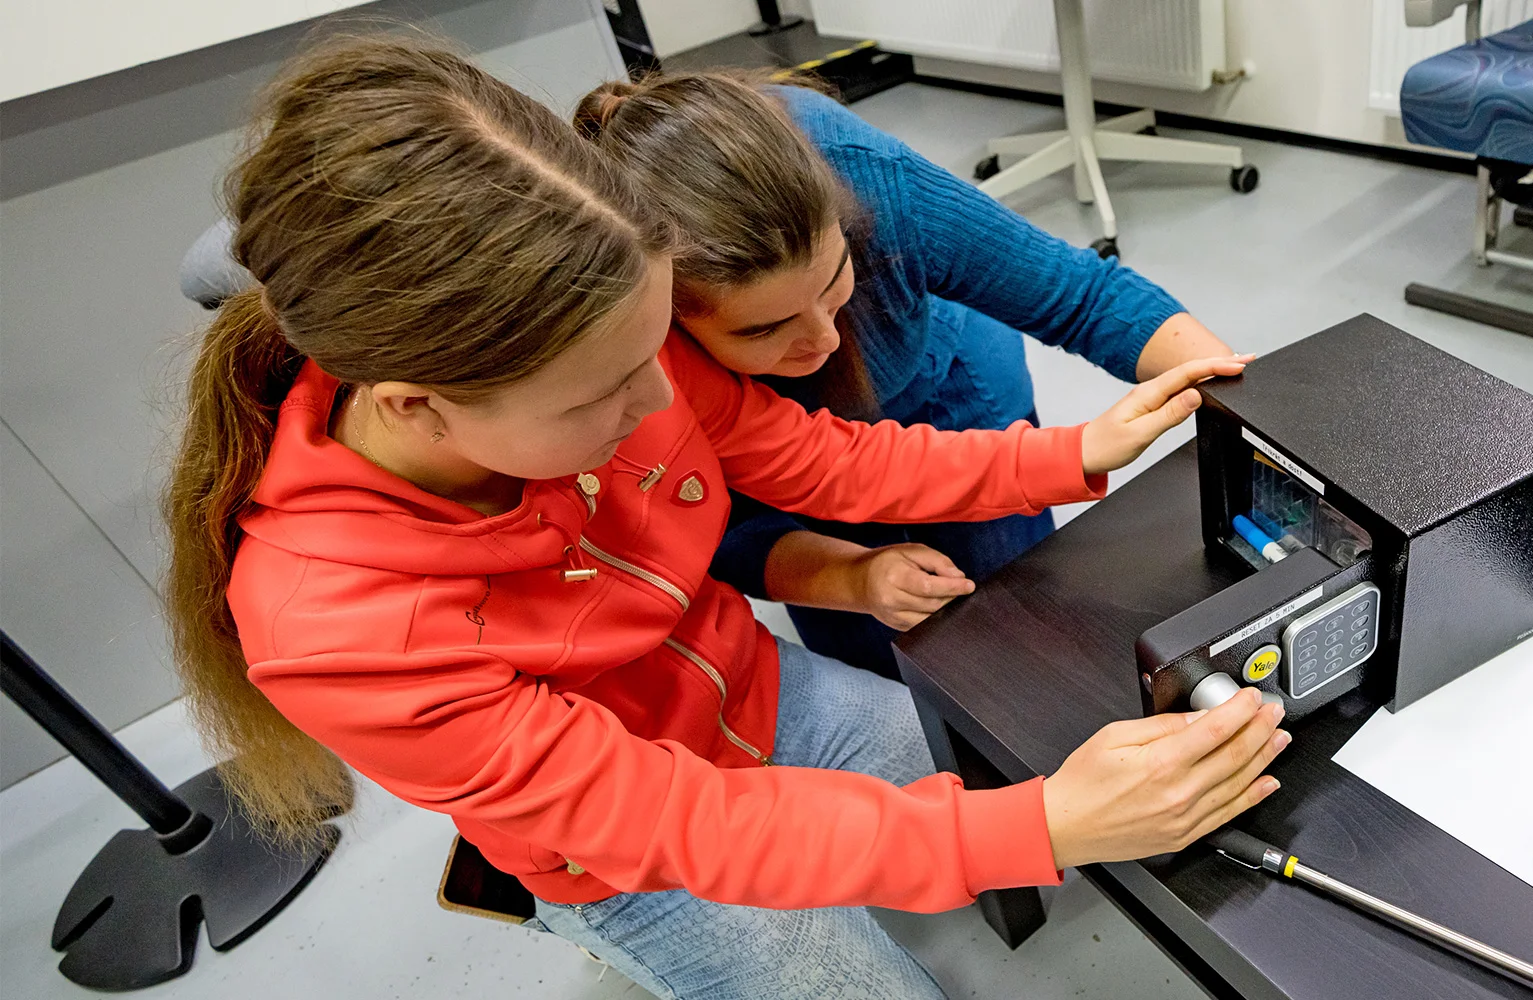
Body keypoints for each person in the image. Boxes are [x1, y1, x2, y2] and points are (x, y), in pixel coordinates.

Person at [162, 36, 1289, 1000]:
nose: (661, 403)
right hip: (624, 851)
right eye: (605, 394)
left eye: (656, 356)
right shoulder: (335, 629)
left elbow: (820, 457)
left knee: (1004, 756)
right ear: (418, 406)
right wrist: (1040, 828)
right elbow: (681, 823)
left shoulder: (605, 337)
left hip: (755, 692)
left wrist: (1072, 451)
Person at [575, 73, 1237, 676]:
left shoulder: (862, 173)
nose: (826, 339)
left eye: (836, 283)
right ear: (665, 324)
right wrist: (850, 577)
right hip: (809, 501)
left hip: (948, 412)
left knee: (1025, 640)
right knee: (891, 668)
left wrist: (1256, 398)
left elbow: (1078, 294)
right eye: (763, 330)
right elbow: (741, 527)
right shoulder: (644, 359)